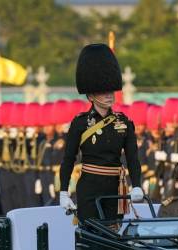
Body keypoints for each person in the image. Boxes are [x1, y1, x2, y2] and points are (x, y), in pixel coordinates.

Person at [59, 43, 143, 222]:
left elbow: (133, 158)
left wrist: (137, 185)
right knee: (90, 236)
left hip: (115, 187)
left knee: (113, 237)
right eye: (103, 92)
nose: (109, 95)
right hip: (90, 186)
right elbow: (68, 159)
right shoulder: (80, 123)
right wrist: (63, 191)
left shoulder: (124, 122)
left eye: (110, 91)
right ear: (91, 96)